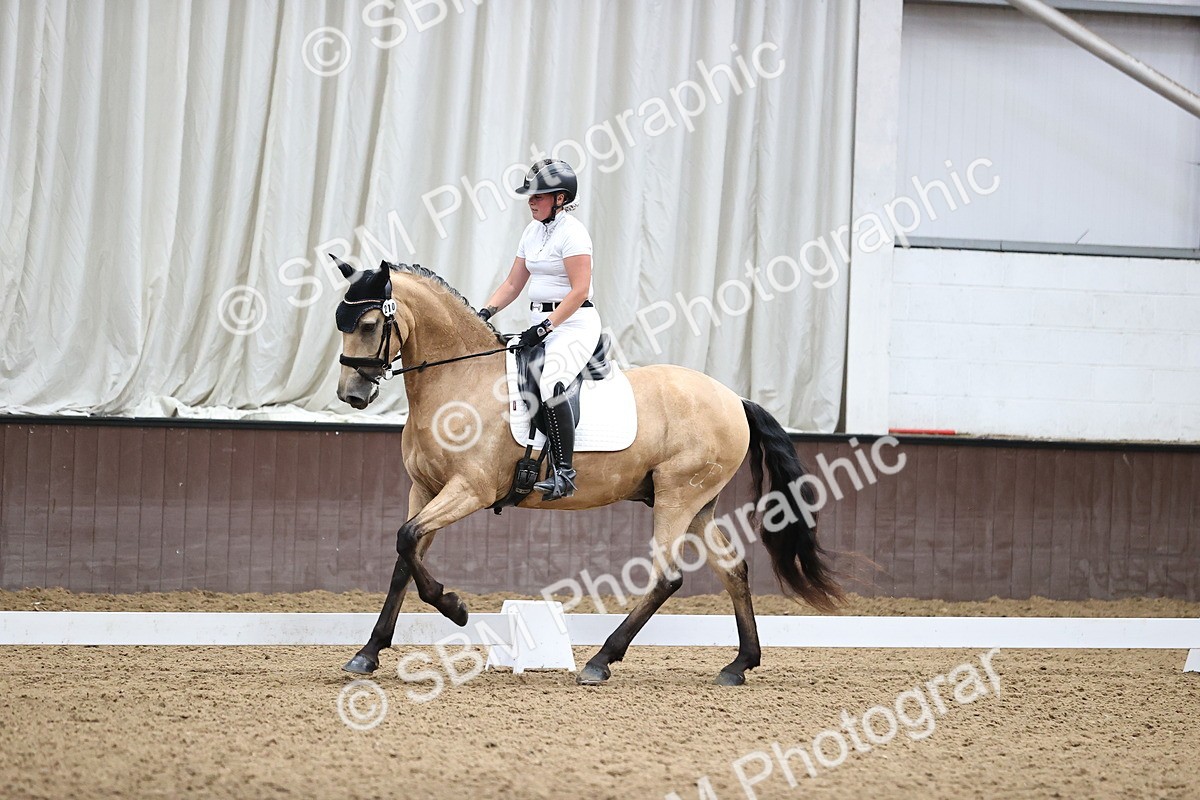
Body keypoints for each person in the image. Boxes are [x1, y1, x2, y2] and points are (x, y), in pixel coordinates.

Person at [478, 159, 600, 501]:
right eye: (530, 196)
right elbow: (512, 284)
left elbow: (579, 291)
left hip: (574, 324)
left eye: (539, 196)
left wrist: (546, 327)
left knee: (550, 382)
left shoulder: (574, 234)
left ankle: (565, 473)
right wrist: (484, 312)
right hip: (542, 324)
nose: (531, 201)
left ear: (560, 199)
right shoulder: (532, 232)